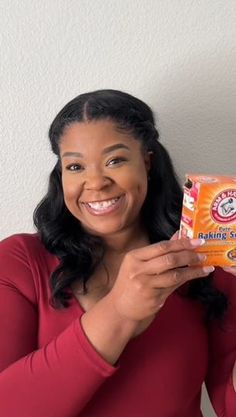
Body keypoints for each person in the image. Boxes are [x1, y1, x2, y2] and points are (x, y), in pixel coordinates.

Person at [0, 89, 235, 417]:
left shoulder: (204, 265)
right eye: (75, 166)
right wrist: (120, 311)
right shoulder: (19, 262)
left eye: (115, 160)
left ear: (147, 162)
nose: (95, 182)